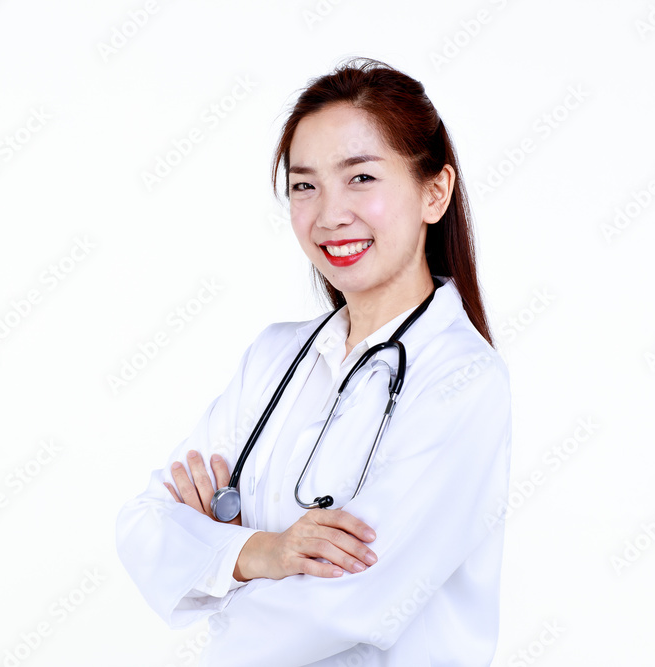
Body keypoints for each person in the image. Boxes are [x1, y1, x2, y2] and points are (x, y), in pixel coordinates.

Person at [115, 57, 512, 666]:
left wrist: (216, 557)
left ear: (435, 192)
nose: (328, 214)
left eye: (360, 178)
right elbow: (144, 526)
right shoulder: (275, 358)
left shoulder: (461, 380)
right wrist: (264, 553)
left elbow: (349, 603)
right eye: (305, 185)